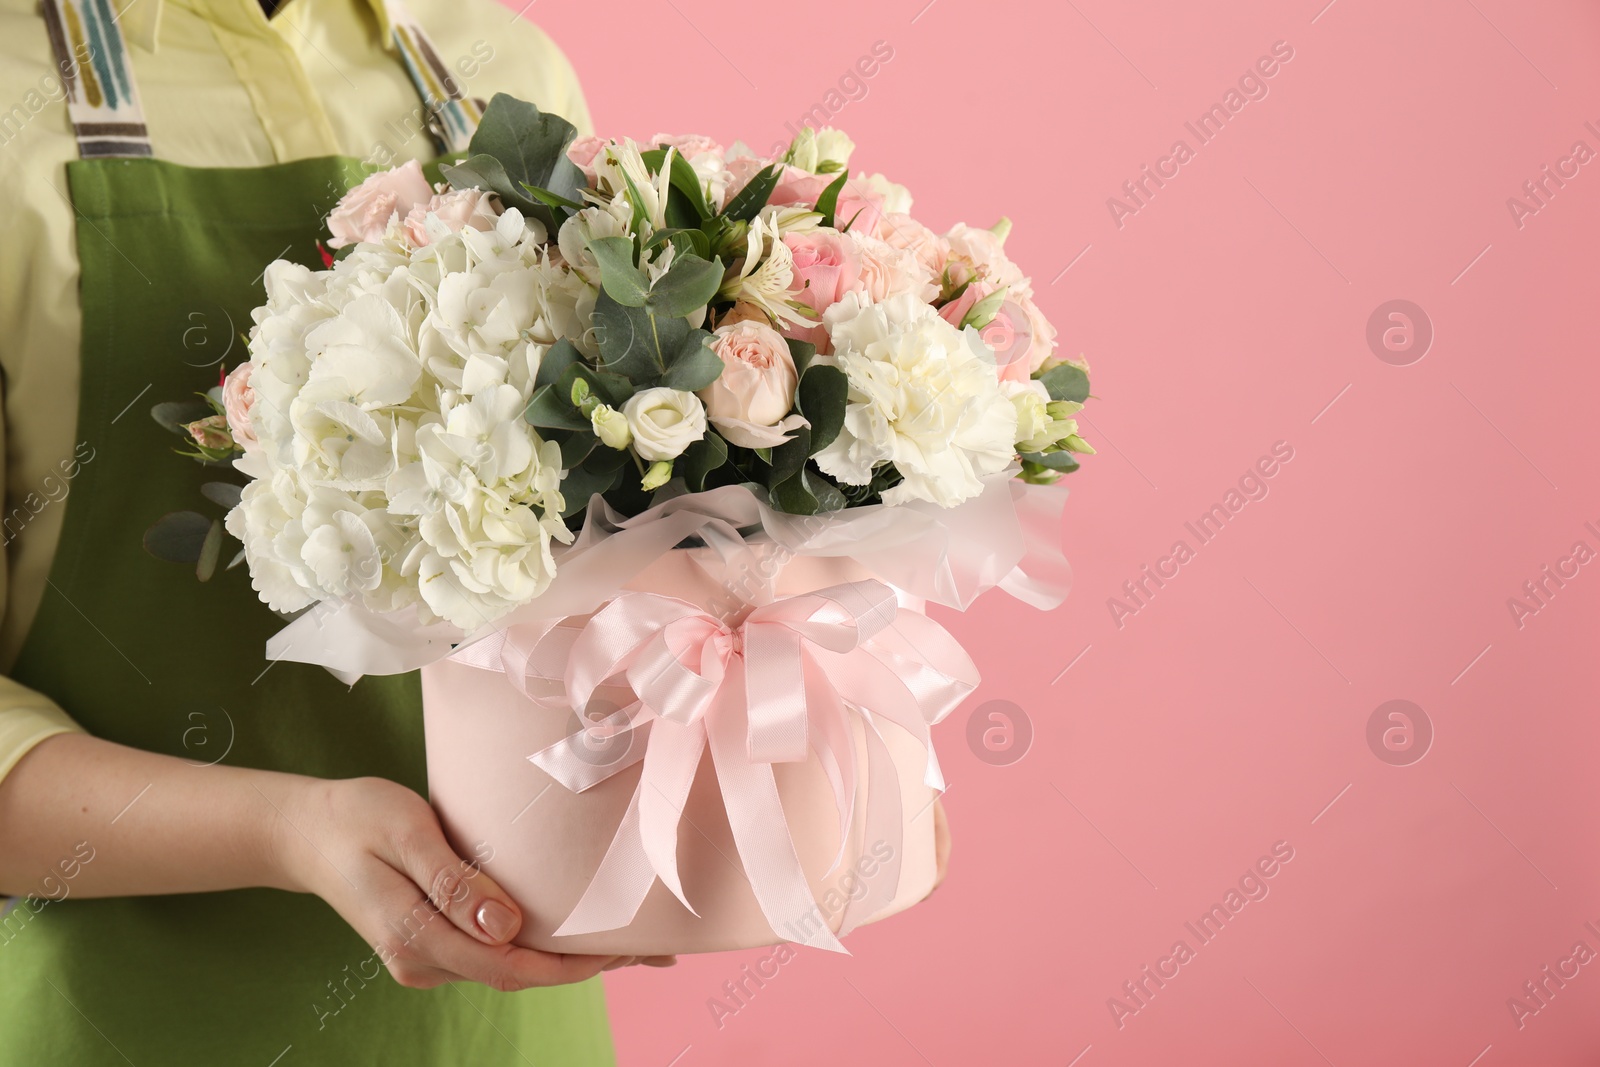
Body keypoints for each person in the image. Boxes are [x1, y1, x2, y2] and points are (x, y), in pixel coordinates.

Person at [0, 0, 653, 1061]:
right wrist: (289, 829)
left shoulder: (498, 66)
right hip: (129, 1014)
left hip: (510, 1011)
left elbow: (605, 548)